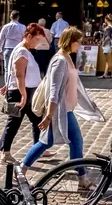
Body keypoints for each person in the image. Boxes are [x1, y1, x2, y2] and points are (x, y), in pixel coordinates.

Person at [24, 27, 100, 172]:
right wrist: (48, 116)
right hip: (60, 110)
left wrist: (88, 103)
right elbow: (54, 91)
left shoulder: (67, 58)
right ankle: (22, 169)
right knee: (63, 142)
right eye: (78, 42)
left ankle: (22, 168)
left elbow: (74, 85)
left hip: (66, 109)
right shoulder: (59, 61)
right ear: (70, 42)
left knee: (56, 142)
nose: (80, 44)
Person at [1, 23, 49, 152]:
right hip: (21, 92)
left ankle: (39, 148)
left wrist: (8, 83)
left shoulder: (24, 49)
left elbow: (16, 71)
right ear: (28, 36)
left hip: (26, 91)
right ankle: (5, 152)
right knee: (13, 123)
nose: (38, 43)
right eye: (36, 39)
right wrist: (23, 94)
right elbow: (19, 74)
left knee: (37, 120)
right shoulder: (22, 50)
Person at [0, 11, 24, 76]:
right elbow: (24, 39)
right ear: (18, 17)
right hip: (18, 49)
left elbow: (0, 39)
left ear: (10, 17)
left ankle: (7, 85)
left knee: (7, 69)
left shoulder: (6, 26)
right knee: (18, 69)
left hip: (7, 48)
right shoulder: (23, 27)